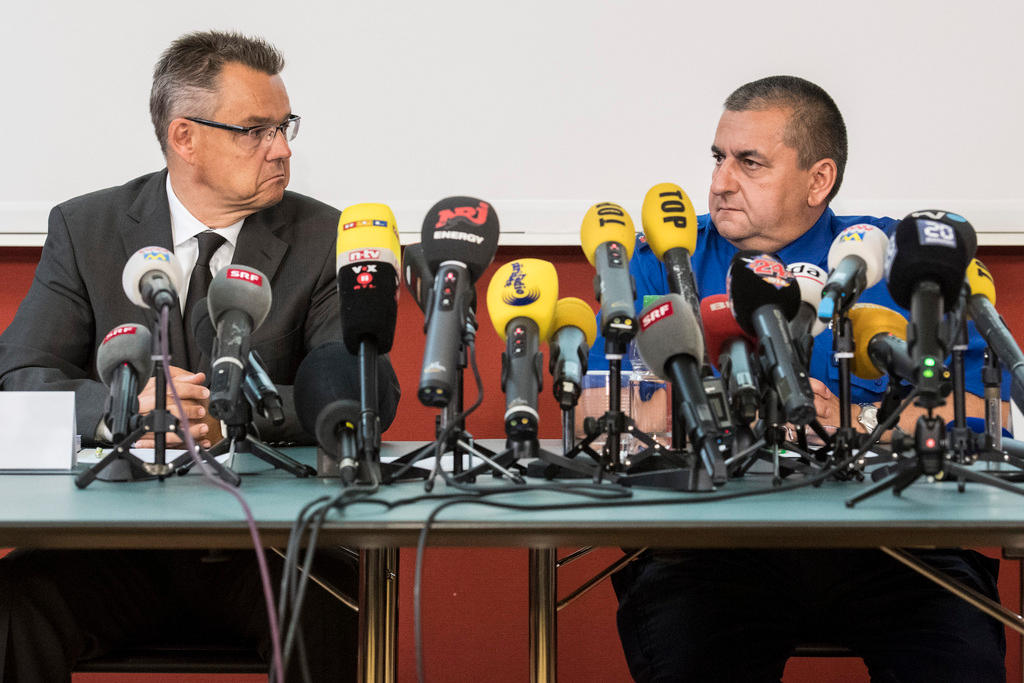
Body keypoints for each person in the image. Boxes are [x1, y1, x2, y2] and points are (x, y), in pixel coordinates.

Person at [0, 31, 398, 681]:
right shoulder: (86, 229)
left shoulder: (327, 237)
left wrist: (238, 414)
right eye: (256, 130)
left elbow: (355, 387)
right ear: (185, 137)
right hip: (112, 544)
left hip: (268, 546)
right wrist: (120, 407)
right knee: (12, 603)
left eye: (285, 125)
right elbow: (19, 376)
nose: (283, 148)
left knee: (328, 606)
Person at [597, 76, 1008, 681]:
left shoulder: (897, 260)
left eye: (749, 163)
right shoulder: (662, 257)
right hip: (714, 554)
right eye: (717, 159)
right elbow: (588, 408)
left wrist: (856, 421)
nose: (718, 184)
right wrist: (705, 412)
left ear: (819, 180)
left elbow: (984, 414)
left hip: (899, 549)